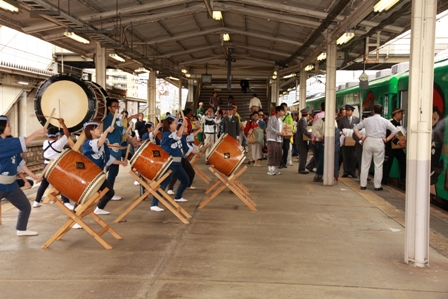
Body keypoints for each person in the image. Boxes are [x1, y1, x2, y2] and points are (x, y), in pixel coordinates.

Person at [0, 115, 46, 236]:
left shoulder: (8, 143)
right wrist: (38, 132)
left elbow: (19, 163)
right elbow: (24, 141)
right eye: (8, 125)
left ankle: (21, 229)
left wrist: (33, 176)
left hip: (11, 185)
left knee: (25, 206)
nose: (10, 127)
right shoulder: (2, 144)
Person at [83, 121, 128, 215]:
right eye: (98, 128)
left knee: (110, 192)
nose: (100, 130)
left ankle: (99, 208)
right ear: (91, 131)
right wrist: (107, 131)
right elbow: (98, 144)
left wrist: (121, 162)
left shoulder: (103, 144)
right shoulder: (88, 143)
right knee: (85, 197)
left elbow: (109, 159)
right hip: (88, 174)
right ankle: (75, 219)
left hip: (98, 175)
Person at [353, 104, 398, 191]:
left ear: (373, 111)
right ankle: (377, 186)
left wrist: (361, 138)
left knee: (365, 164)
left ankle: (363, 185)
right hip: (379, 142)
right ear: (382, 111)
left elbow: (355, 128)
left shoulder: (367, 120)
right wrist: (387, 139)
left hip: (368, 141)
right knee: (378, 165)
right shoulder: (385, 121)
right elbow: (395, 131)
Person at [151, 116, 191, 212]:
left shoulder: (172, 133)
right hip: (170, 163)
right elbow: (178, 136)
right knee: (163, 184)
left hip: (177, 163)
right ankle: (154, 204)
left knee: (185, 180)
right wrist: (183, 125)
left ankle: (178, 196)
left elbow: (178, 136)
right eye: (175, 123)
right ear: (169, 125)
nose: (176, 125)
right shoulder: (166, 134)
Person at [103, 98, 139, 200]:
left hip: (117, 148)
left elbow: (122, 132)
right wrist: (131, 117)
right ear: (109, 108)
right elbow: (121, 125)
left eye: (118, 106)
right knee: (113, 171)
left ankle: (108, 192)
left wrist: (131, 140)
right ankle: (109, 193)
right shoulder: (108, 119)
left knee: (113, 171)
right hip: (111, 149)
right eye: (115, 106)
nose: (117, 108)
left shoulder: (116, 118)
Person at [33, 118, 72, 208]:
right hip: (55, 167)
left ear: (48, 135)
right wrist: (62, 123)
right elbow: (67, 134)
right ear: (57, 135)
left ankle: (36, 201)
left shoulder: (45, 142)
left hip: (46, 166)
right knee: (62, 183)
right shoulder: (58, 144)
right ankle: (66, 202)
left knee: (44, 184)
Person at [167, 120, 202, 194]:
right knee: (175, 174)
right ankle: (170, 188)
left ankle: (187, 185)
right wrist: (197, 152)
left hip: (182, 158)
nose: (187, 129)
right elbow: (188, 147)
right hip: (176, 158)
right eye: (185, 127)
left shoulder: (184, 136)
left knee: (190, 172)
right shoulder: (177, 136)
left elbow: (190, 144)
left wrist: (198, 150)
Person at [382, 108, 407, 186]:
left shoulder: (398, 123)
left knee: (403, 159)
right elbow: (389, 134)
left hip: (397, 147)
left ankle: (403, 177)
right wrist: (398, 142)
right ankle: (383, 179)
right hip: (390, 147)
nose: (402, 115)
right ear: (396, 114)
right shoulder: (390, 122)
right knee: (387, 163)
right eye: (400, 114)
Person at [338, 104, 360, 178]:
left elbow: (359, 129)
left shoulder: (357, 119)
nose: (347, 112)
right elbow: (338, 129)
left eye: (349, 111)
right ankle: (346, 171)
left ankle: (352, 171)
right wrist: (341, 132)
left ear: (352, 112)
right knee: (345, 156)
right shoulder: (341, 120)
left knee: (354, 156)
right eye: (347, 111)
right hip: (345, 140)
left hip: (354, 141)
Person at [266, 105, 286, 175]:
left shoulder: (280, 120)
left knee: (277, 154)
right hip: (272, 138)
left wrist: (282, 133)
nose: (284, 112)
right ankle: (270, 169)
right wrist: (278, 132)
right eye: (282, 111)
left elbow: (281, 128)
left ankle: (274, 169)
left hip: (278, 139)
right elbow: (269, 127)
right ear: (278, 111)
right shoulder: (272, 118)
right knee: (272, 154)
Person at [296, 108, 312, 174]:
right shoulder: (303, 121)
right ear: (307, 114)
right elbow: (304, 131)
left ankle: (302, 168)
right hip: (301, 141)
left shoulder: (303, 120)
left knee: (304, 155)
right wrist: (311, 136)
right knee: (303, 156)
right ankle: (301, 169)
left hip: (302, 141)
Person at [279, 103, 294, 169]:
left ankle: (284, 163)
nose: (284, 108)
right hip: (279, 135)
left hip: (287, 134)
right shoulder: (278, 115)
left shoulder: (289, 115)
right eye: (283, 107)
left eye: (285, 107)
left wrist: (292, 131)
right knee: (279, 149)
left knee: (286, 148)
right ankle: (280, 163)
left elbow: (291, 123)